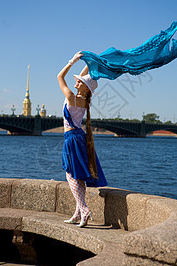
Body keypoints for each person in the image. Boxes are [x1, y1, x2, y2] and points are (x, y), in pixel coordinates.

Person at [57, 51, 107, 228]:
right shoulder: (85, 101)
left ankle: (84, 209)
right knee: (79, 176)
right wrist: (87, 61)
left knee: (71, 175)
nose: (76, 81)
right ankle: (78, 212)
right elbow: (85, 77)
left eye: (80, 82)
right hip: (81, 138)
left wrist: (72, 61)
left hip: (71, 139)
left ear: (85, 88)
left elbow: (59, 76)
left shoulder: (70, 97)